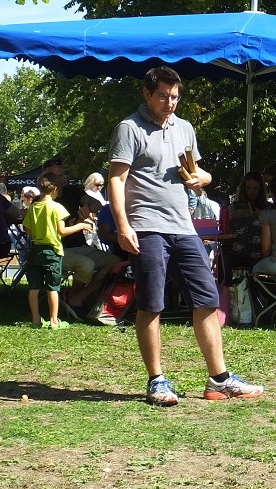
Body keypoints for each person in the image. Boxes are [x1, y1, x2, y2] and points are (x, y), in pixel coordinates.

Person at [109, 65, 263, 405]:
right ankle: (157, 381)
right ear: (147, 94)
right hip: (146, 226)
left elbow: (198, 172)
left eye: (175, 96)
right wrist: (123, 226)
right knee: (151, 302)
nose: (170, 103)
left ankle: (219, 380)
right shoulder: (129, 128)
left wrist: (202, 179)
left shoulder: (185, 129)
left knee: (207, 298)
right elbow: (116, 180)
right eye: (163, 96)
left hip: (183, 226)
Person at [22, 172, 91, 329]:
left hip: (36, 251)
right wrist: (81, 225)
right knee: (53, 287)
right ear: (55, 189)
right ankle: (54, 321)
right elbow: (62, 232)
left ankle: (35, 319)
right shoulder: (57, 207)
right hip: (52, 251)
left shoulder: (33, 207)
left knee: (34, 287)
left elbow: (28, 229)